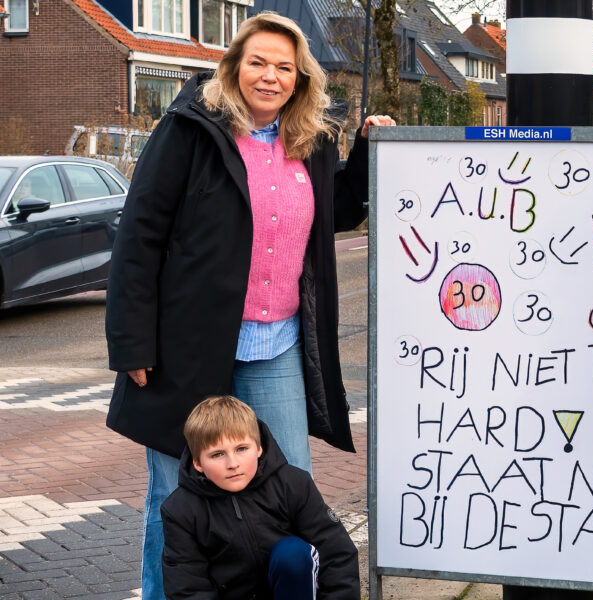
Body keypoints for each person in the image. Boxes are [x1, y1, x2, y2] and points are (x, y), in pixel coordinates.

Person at [103, 12, 393, 599]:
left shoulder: (311, 139)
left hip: (276, 344)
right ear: (234, 67)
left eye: (284, 66)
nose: (269, 76)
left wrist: (365, 150)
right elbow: (140, 234)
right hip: (186, 347)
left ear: (300, 77)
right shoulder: (189, 130)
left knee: (290, 488)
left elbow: (335, 210)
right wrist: (132, 341)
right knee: (175, 496)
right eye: (257, 62)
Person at [161, 396, 358, 599]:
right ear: (198, 463)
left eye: (241, 449)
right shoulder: (180, 510)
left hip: (291, 592)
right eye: (217, 454)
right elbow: (187, 586)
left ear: (259, 447)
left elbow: (336, 552)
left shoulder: (293, 484)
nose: (233, 464)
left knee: (293, 553)